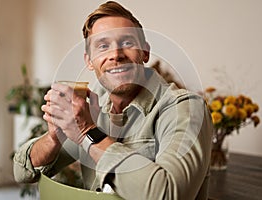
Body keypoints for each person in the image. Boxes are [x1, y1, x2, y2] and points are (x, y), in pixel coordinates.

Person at [13, 1, 213, 199]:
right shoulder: (92, 108)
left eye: (127, 43)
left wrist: (88, 134)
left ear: (145, 52)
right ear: (89, 61)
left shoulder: (186, 108)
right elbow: (22, 171)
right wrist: (53, 139)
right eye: (103, 46)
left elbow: (169, 194)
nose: (116, 55)